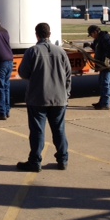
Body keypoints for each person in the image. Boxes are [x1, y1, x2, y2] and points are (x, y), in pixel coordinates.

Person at [17, 22, 71, 172]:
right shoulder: (61, 52)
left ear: (37, 34)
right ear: (49, 34)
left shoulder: (32, 52)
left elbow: (23, 73)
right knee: (59, 130)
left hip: (38, 98)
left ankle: (35, 161)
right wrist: (66, 94)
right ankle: (63, 159)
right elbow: (68, 75)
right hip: (59, 98)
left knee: (37, 131)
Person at [87, 24, 110, 110]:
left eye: (91, 34)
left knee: (105, 83)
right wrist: (90, 45)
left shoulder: (105, 37)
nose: (92, 37)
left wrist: (106, 60)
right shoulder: (98, 39)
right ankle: (102, 102)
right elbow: (98, 48)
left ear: (95, 32)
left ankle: (105, 104)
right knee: (101, 83)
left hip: (107, 65)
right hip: (102, 65)